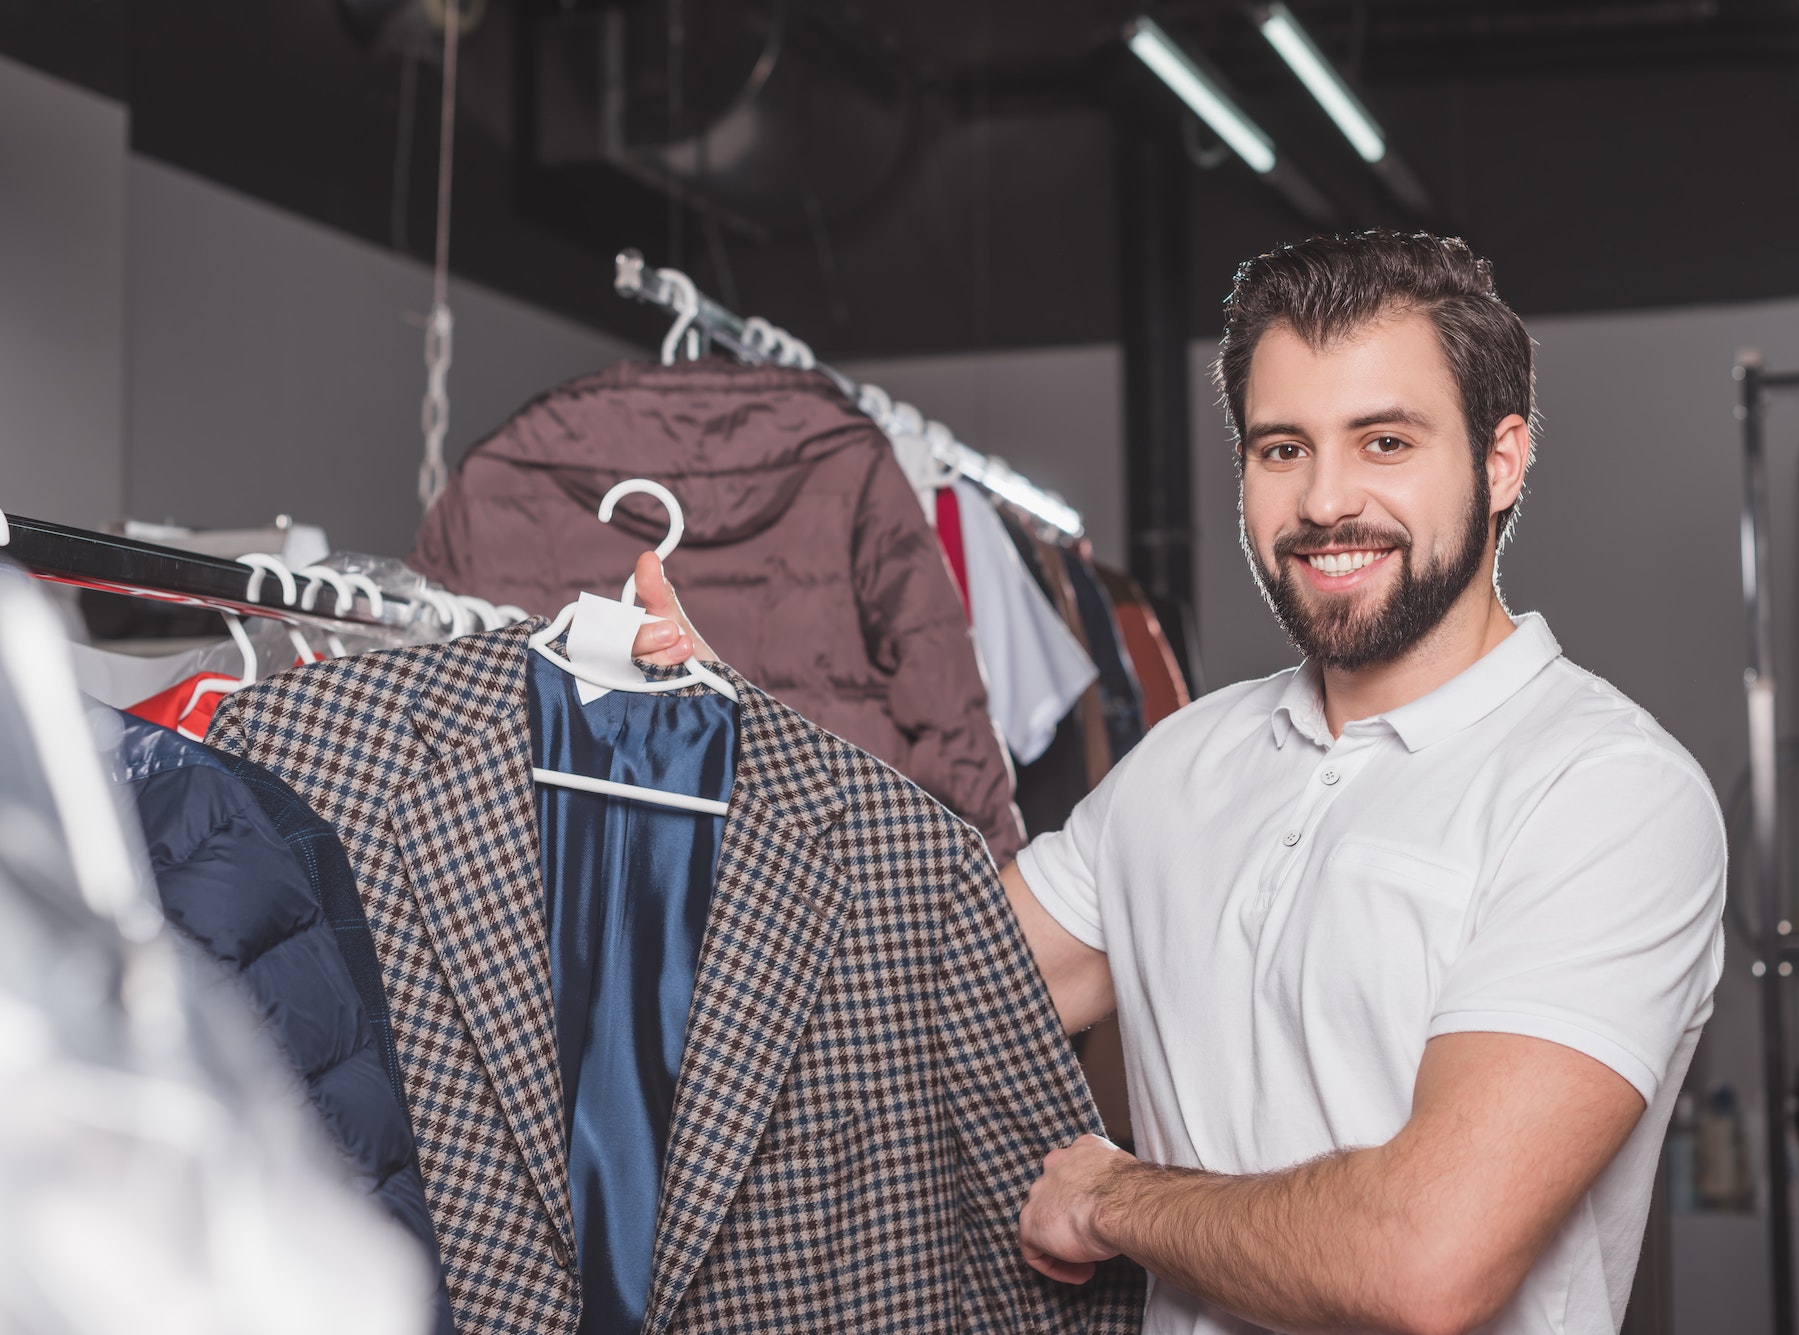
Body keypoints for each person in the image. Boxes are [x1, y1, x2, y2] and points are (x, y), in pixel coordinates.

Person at [628, 231, 1726, 1335]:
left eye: (1383, 441)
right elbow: (908, 990)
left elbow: (1425, 1260)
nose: (1326, 501)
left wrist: (1111, 1197)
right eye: (1281, 449)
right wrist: (719, 737)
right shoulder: (1184, 760)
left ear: (1500, 461)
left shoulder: (1606, 794)